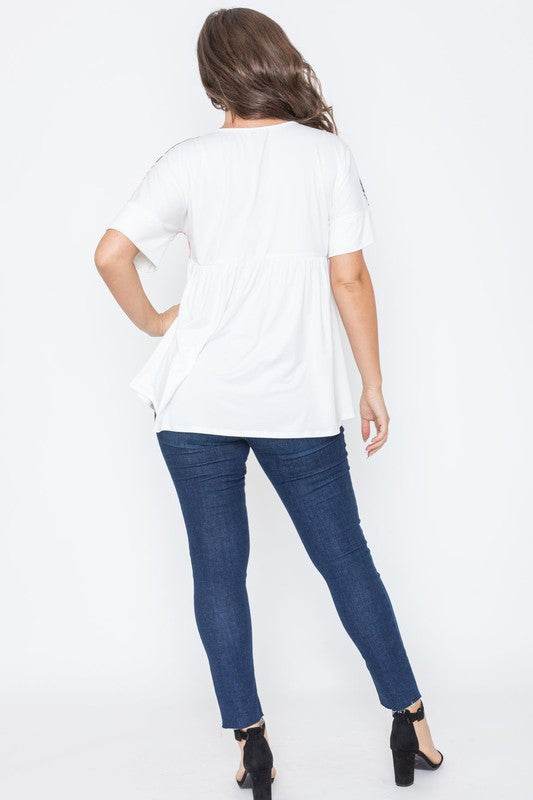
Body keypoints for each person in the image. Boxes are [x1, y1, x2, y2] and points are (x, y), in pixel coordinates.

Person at [94, 6, 443, 794]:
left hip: (193, 403)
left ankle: (251, 748)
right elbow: (348, 276)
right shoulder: (324, 156)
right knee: (346, 562)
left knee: (217, 575)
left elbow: (110, 253)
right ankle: (409, 724)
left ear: (212, 76)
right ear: (278, 63)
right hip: (294, 403)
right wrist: (372, 383)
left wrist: (157, 321)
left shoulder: (186, 160)